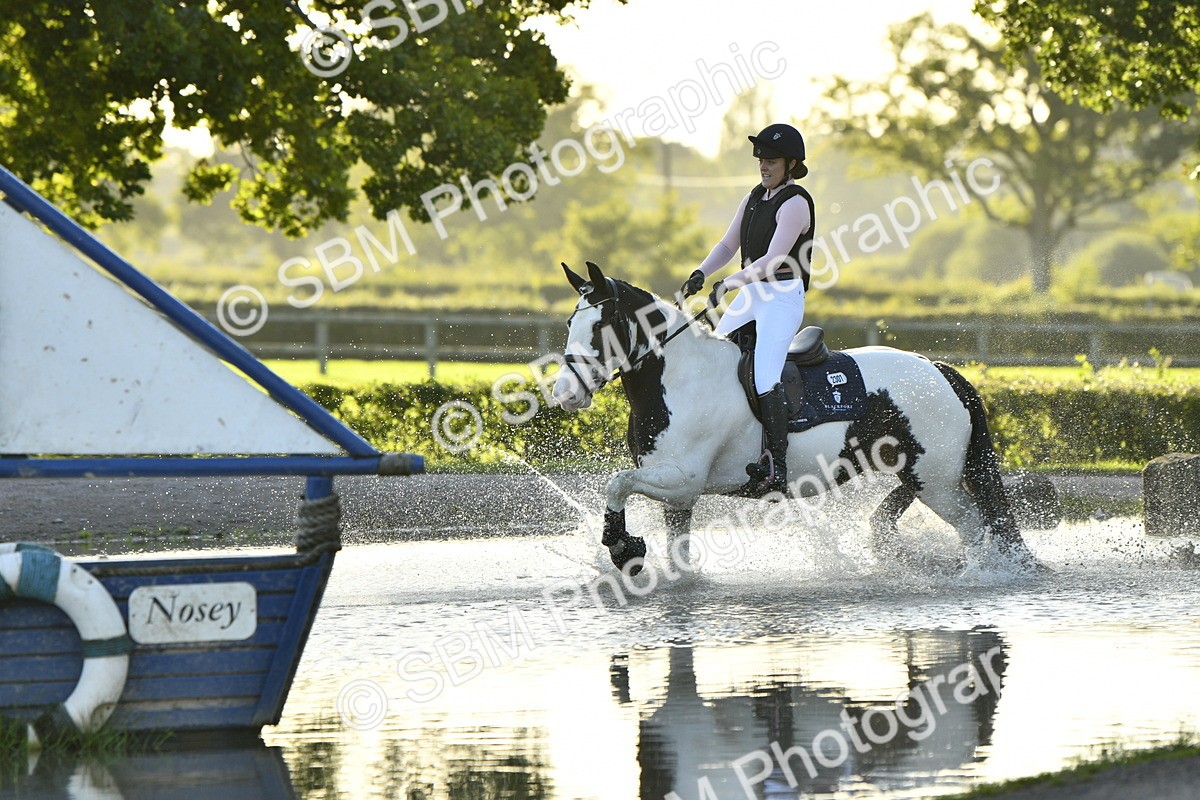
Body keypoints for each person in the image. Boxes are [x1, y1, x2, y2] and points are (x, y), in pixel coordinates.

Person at [680, 122, 815, 497]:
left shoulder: (796, 203)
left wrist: (730, 283)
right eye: (760, 159)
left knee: (765, 375)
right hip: (754, 293)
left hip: (783, 296)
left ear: (791, 164)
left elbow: (773, 259)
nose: (763, 165)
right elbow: (727, 245)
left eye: (771, 160)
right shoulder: (754, 197)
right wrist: (702, 273)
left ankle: (777, 465)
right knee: (715, 362)